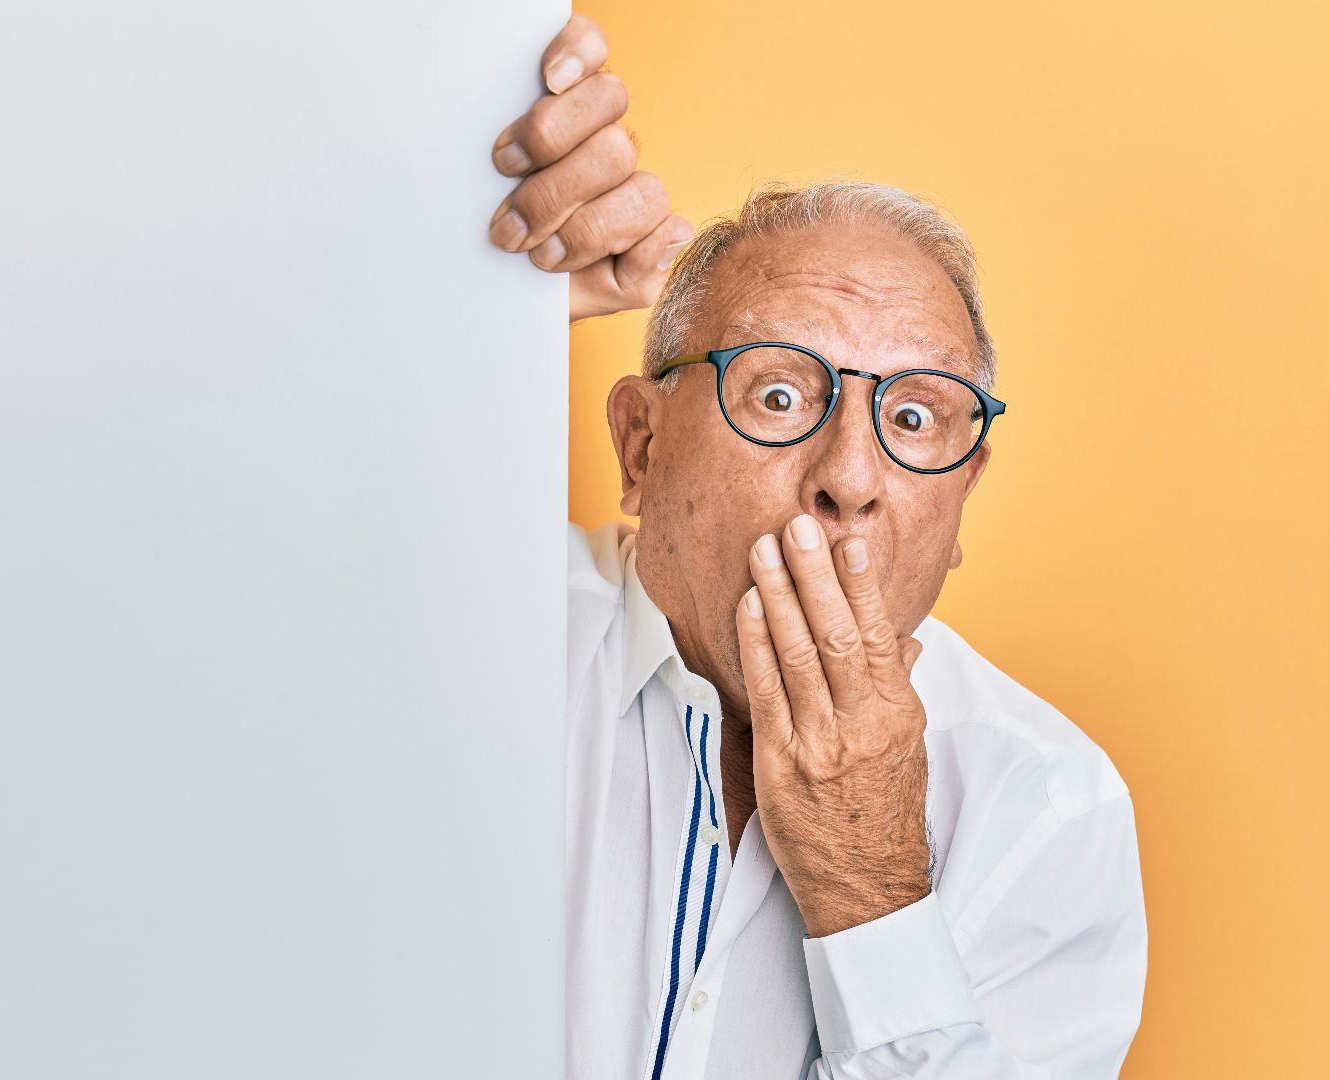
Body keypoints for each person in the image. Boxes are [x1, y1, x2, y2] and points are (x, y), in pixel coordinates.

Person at [491, 16, 1146, 1079]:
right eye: (782, 394)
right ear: (641, 446)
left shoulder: (1047, 806)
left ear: (963, 500)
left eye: (918, 421)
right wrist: (438, 263)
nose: (851, 476)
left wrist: (868, 887)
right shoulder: (476, 633)